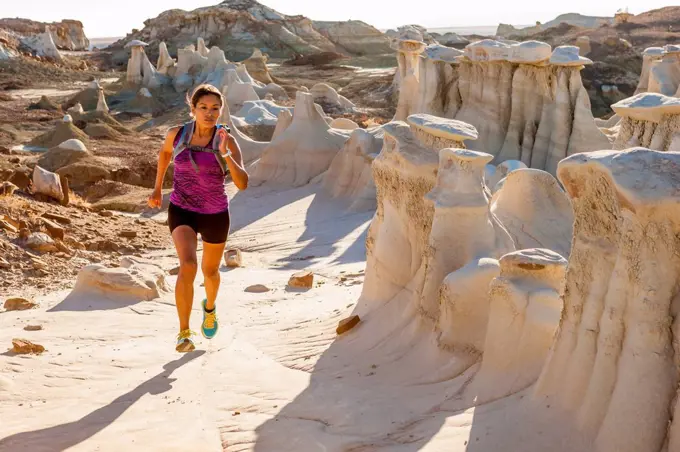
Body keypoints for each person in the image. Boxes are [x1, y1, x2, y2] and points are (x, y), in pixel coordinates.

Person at [148, 84, 249, 352]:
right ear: (193, 109)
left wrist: (226, 153)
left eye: (215, 108)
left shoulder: (226, 139)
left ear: (221, 111)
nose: (209, 113)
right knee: (188, 265)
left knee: (211, 271)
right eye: (203, 107)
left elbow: (242, 183)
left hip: (215, 213)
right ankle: (183, 332)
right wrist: (158, 187)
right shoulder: (177, 134)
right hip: (182, 208)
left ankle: (210, 307)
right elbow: (165, 154)